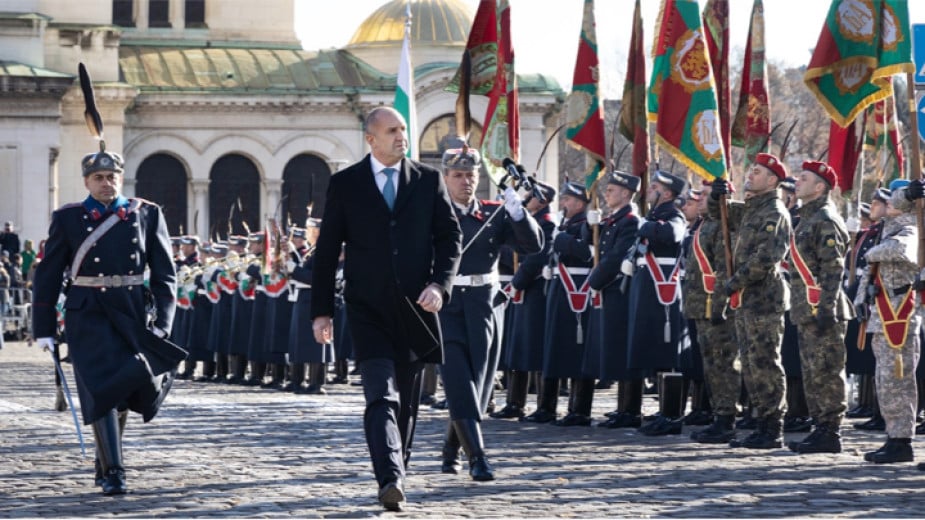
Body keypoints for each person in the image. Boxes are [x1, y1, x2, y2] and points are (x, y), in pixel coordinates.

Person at [311, 106, 461, 512]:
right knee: (381, 394)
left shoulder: (428, 180)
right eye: (392, 131)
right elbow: (326, 252)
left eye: (404, 130)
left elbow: (450, 237)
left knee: (408, 403)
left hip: (416, 309)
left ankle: (399, 470)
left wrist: (439, 285)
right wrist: (321, 311)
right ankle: (389, 477)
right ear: (371, 139)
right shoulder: (346, 184)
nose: (401, 136)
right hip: (367, 308)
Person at [31, 143, 180, 495]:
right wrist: (44, 328)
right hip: (88, 315)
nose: (106, 183)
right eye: (98, 178)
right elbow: (48, 274)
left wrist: (164, 322)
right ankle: (114, 470)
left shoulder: (146, 213)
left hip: (131, 313)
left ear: (120, 178)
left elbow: (165, 272)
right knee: (102, 391)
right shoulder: (67, 218)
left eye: (111, 177)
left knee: (126, 388)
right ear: (86, 182)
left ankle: (105, 459)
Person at [436, 147, 542, 480]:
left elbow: (533, 247)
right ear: (445, 178)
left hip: (484, 304)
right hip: (446, 305)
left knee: (478, 384)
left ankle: (451, 448)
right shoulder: (431, 215)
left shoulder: (494, 214)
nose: (465, 181)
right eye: (457, 175)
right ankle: (477, 458)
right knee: (457, 379)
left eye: (470, 175)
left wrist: (519, 213)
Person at [710, 152, 792, 449]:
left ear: (772, 181)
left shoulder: (774, 212)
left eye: (757, 172)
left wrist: (736, 280)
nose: (750, 175)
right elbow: (719, 215)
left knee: (765, 362)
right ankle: (761, 422)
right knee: (752, 363)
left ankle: (773, 427)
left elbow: (766, 258)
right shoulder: (752, 209)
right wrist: (715, 195)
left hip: (763, 298)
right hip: (746, 298)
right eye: (751, 170)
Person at [786, 161, 853, 454]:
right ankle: (820, 427)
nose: (796, 182)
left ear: (820, 187)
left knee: (827, 370)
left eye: (804, 179)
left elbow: (833, 267)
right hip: (808, 308)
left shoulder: (824, 218)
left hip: (823, 308)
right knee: (813, 371)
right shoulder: (807, 217)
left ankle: (830, 431)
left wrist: (826, 307)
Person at [856, 180, 922, 464]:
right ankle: (893, 437)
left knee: (898, 380)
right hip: (882, 315)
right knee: (885, 380)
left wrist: (872, 250)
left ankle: (901, 440)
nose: (887, 203)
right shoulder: (887, 229)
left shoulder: (910, 228)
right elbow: (870, 275)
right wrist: (861, 300)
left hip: (900, 315)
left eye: (894, 200)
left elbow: (900, 251)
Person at [625, 170, 688, 435]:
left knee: (666, 354)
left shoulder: (673, 215)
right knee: (652, 351)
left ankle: (672, 417)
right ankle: (663, 411)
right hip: (647, 288)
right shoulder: (654, 216)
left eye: (655, 187)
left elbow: (672, 235)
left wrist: (643, 225)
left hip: (662, 292)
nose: (650, 190)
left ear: (668, 193)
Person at [686, 180, 742, 443]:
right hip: (702, 303)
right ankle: (718, 414)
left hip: (716, 305)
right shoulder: (705, 223)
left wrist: (719, 303)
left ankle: (726, 418)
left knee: (723, 364)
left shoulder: (723, 225)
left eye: (708, 196)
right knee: (711, 364)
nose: (701, 200)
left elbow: (723, 267)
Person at [586, 172, 641, 429]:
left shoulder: (629, 220)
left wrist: (594, 281)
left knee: (624, 350)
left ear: (626, 194)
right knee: (615, 350)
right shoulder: (614, 219)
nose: (606, 194)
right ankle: (622, 407)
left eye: (611, 190)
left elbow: (615, 257)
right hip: (610, 291)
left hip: (620, 290)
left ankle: (630, 409)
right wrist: (591, 227)